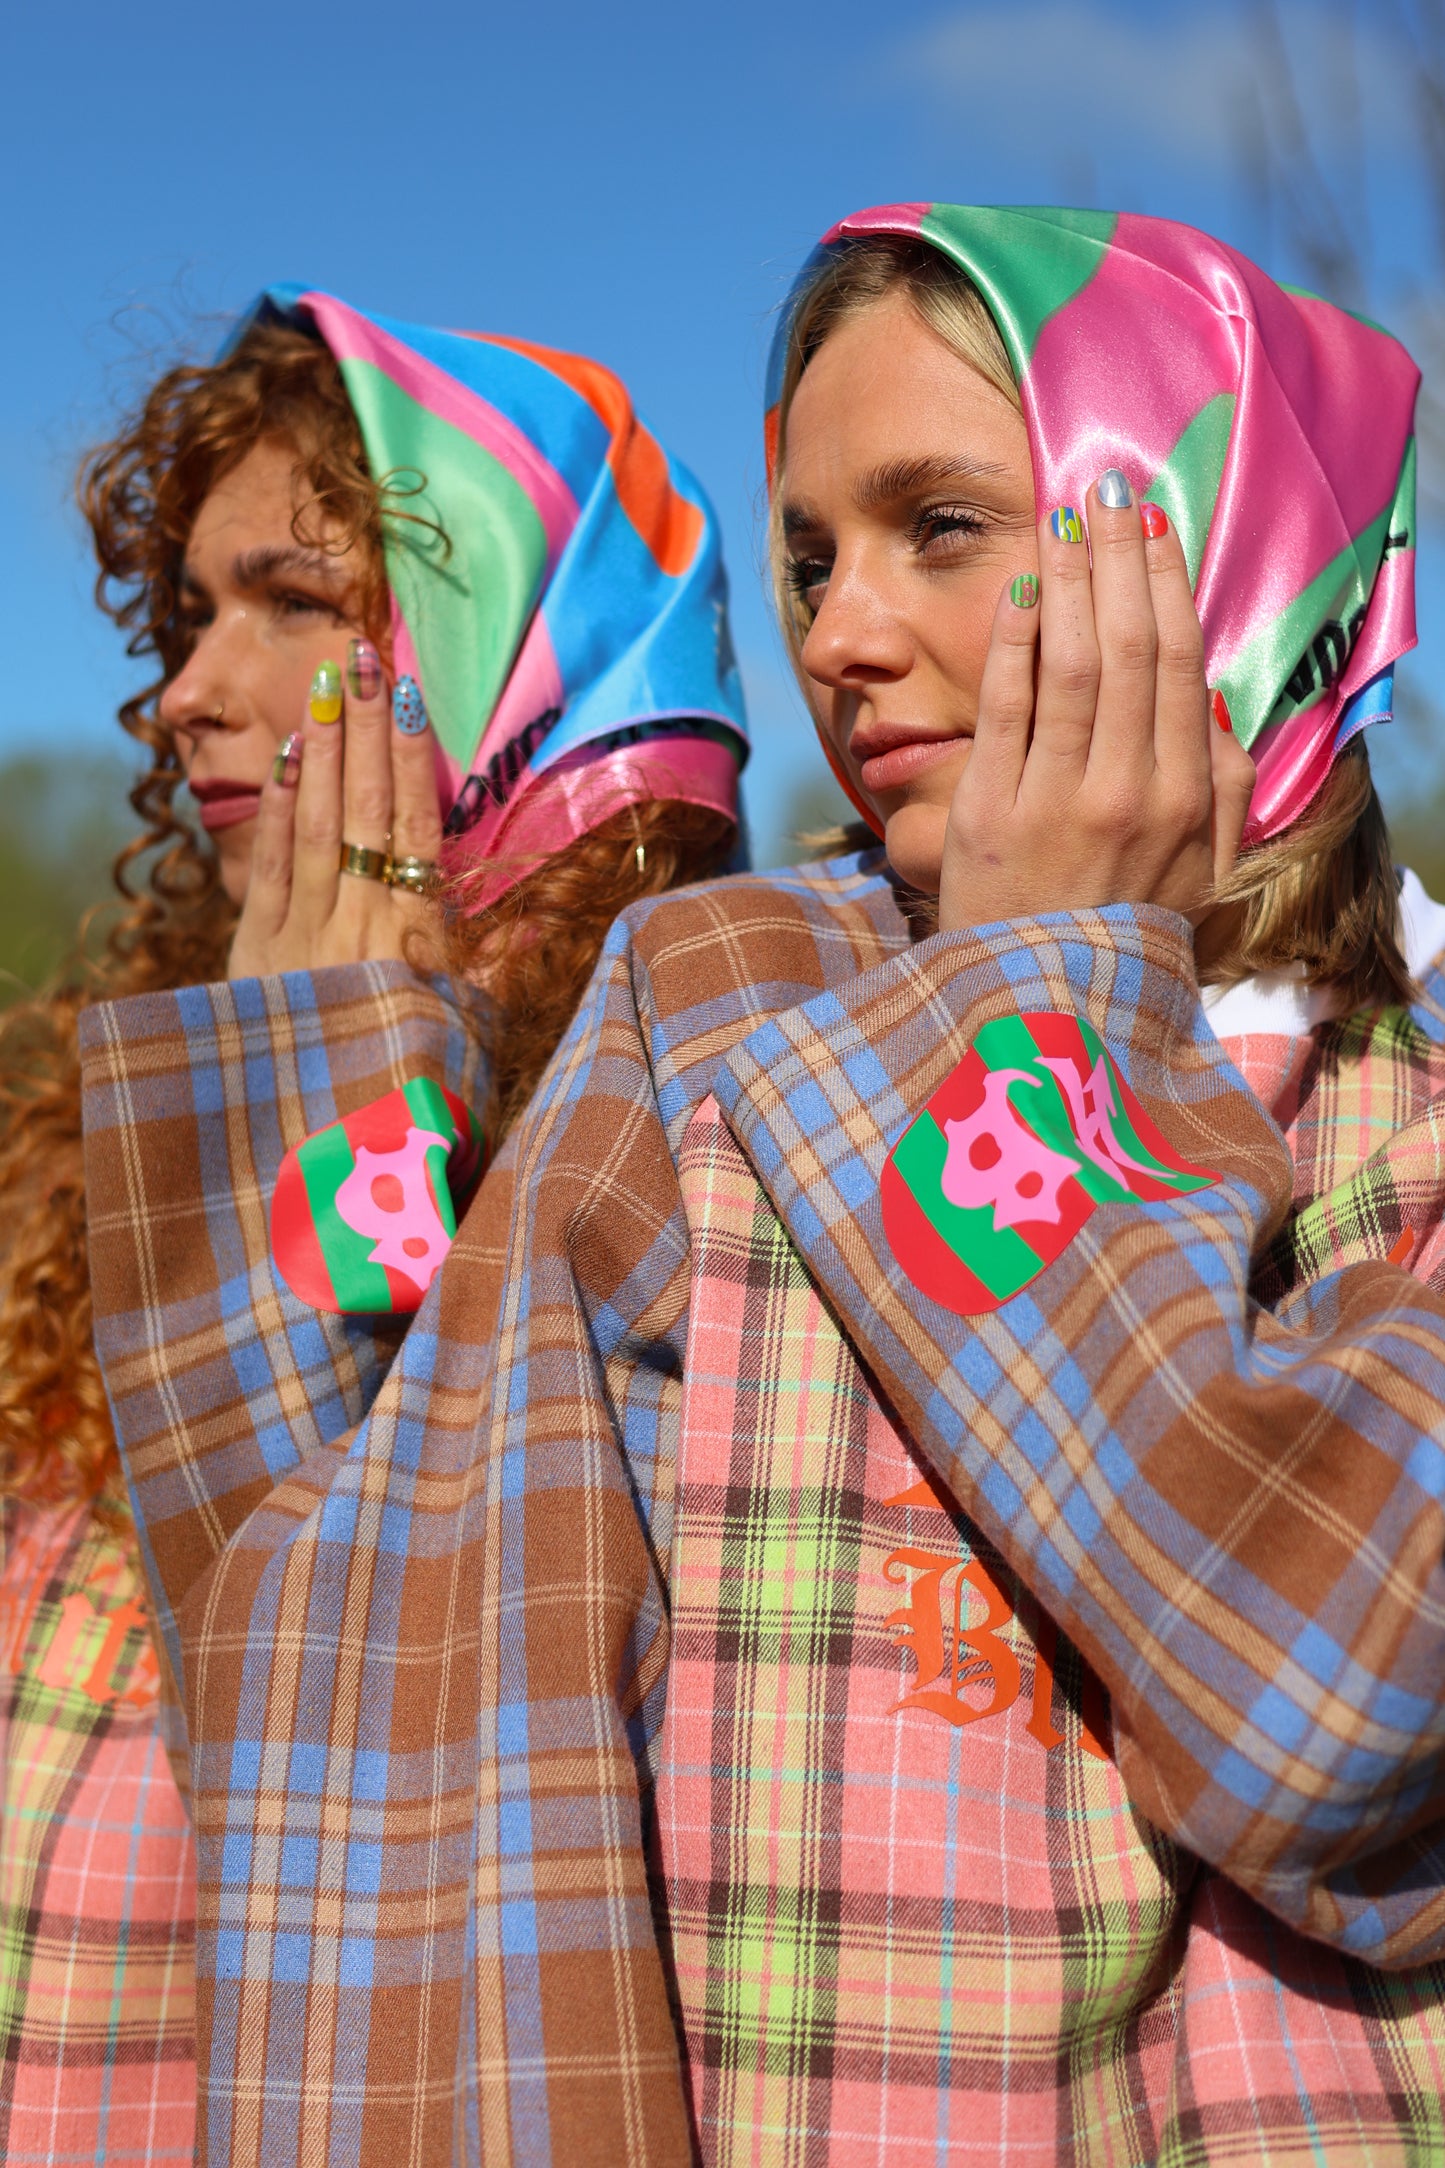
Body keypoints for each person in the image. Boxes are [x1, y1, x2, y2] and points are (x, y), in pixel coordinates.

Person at [80, 207, 1445, 2164]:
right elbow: (357, 1641)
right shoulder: (725, 1005)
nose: (835, 631)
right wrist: (315, 1106)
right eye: (807, 557)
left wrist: (1035, 1012)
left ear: (1216, 549)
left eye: (941, 527)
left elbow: (1331, 1703)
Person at [1, 284, 745, 2163]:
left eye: (296, 601)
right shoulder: (93, 1111)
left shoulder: (698, 1131)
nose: (188, 691)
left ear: (505, 640)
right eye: (185, 617)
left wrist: (337, 1087)